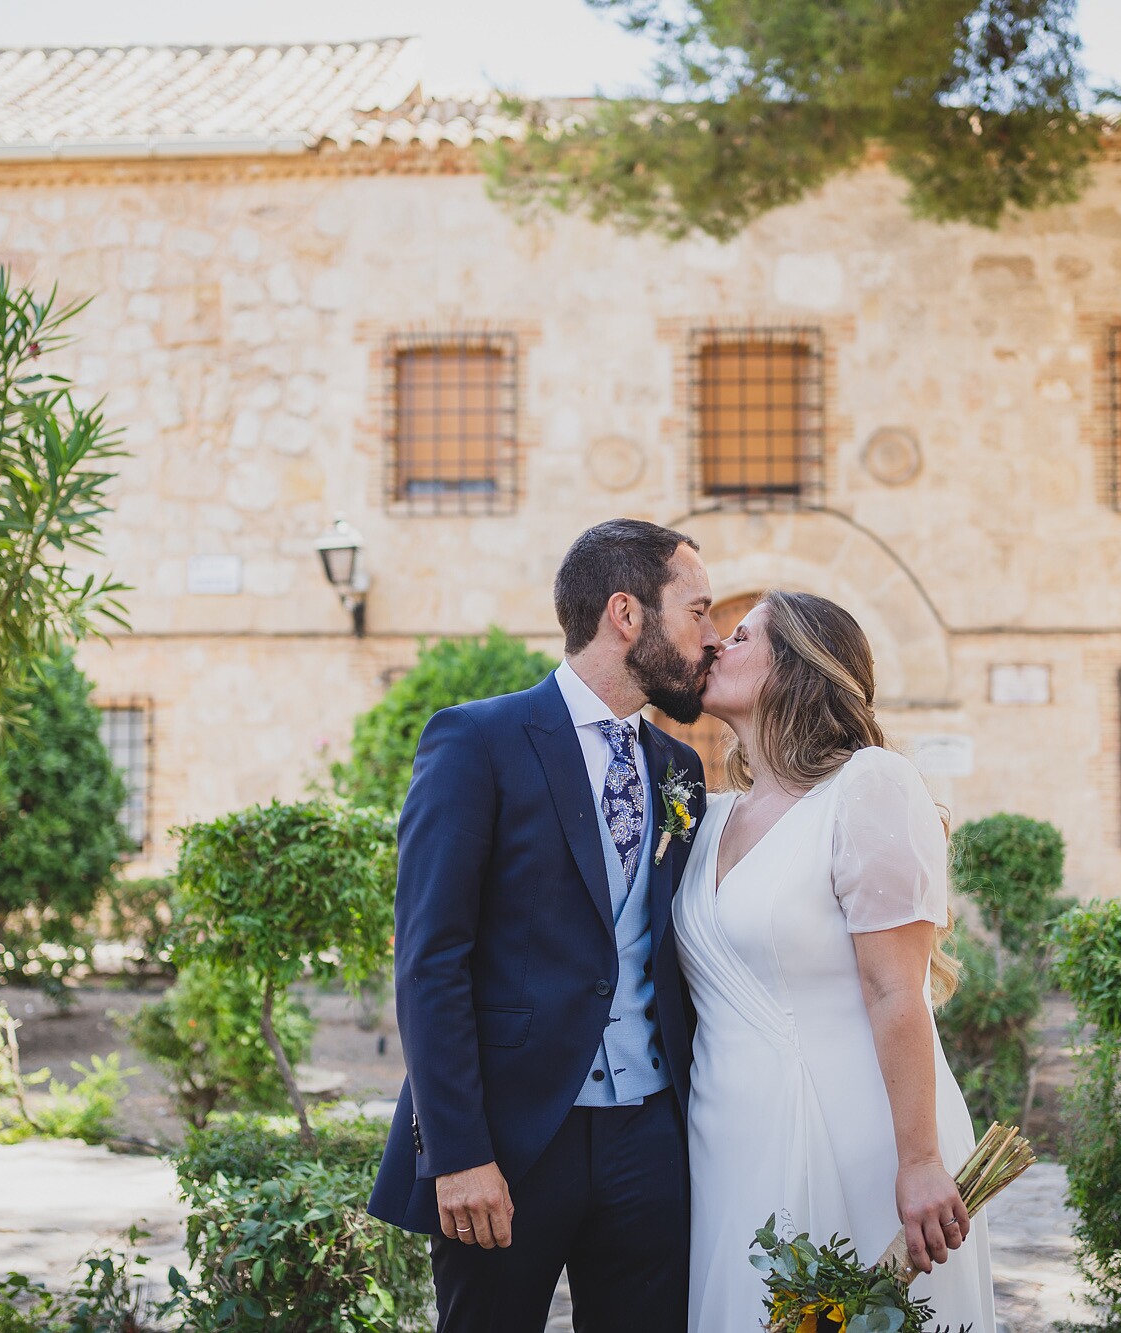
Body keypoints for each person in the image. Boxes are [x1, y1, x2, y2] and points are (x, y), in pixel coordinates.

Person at [367, 518, 722, 1333]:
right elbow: (430, 960)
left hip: (649, 1137)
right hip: (511, 1138)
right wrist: (457, 1153)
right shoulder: (477, 740)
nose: (710, 637)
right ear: (627, 615)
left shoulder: (680, 770)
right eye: (696, 612)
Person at [675, 589, 997, 1333]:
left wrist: (918, 1159)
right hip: (725, 1137)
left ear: (799, 665)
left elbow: (895, 988)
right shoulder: (711, 812)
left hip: (854, 1129)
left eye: (744, 634)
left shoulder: (869, 785)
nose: (718, 644)